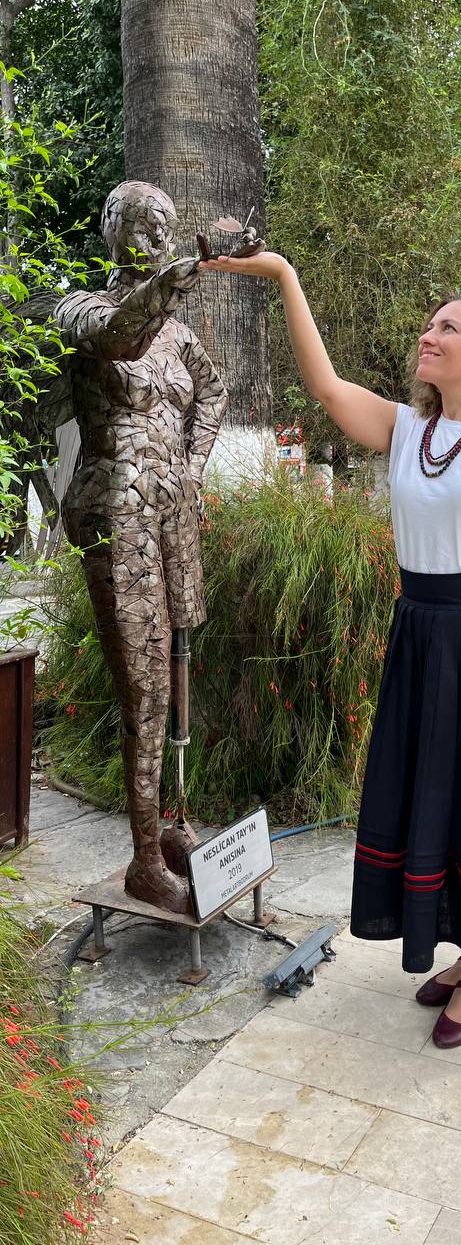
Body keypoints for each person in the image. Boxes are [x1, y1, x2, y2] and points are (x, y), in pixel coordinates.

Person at [202, 250, 461, 1050]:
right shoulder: (407, 427)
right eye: (428, 324)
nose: (429, 334)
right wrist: (283, 276)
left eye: (447, 327)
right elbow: (325, 387)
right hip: (421, 635)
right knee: (433, 796)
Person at [57, 182, 228, 914]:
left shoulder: (183, 336)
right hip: (115, 511)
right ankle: (140, 857)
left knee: (181, 663)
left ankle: (171, 825)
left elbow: (213, 394)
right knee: (144, 682)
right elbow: (121, 335)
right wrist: (182, 274)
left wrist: (192, 465)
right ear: (111, 232)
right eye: (139, 223)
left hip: (171, 512)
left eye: (163, 226)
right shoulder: (85, 310)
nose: (153, 235)